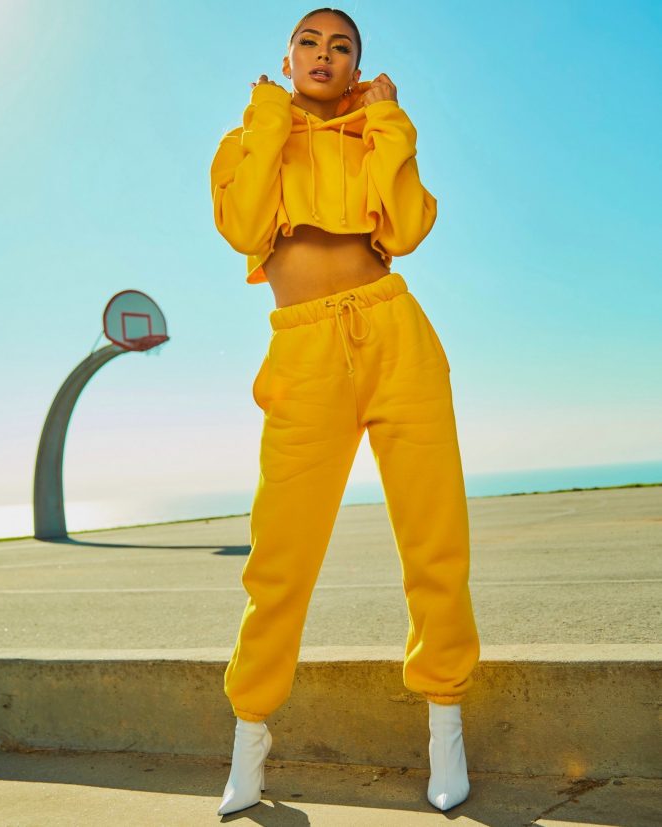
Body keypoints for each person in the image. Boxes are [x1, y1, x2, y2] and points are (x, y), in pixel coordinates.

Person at [209, 6, 480, 816]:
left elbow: (406, 225)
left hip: (395, 331)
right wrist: (268, 116)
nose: (323, 54)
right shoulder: (246, 139)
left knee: (435, 537)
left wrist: (390, 122)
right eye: (309, 43)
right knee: (280, 557)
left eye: (341, 46)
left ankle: (444, 717)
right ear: (286, 57)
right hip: (303, 353)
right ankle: (250, 733)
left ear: (358, 65)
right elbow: (243, 226)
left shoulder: (376, 132)